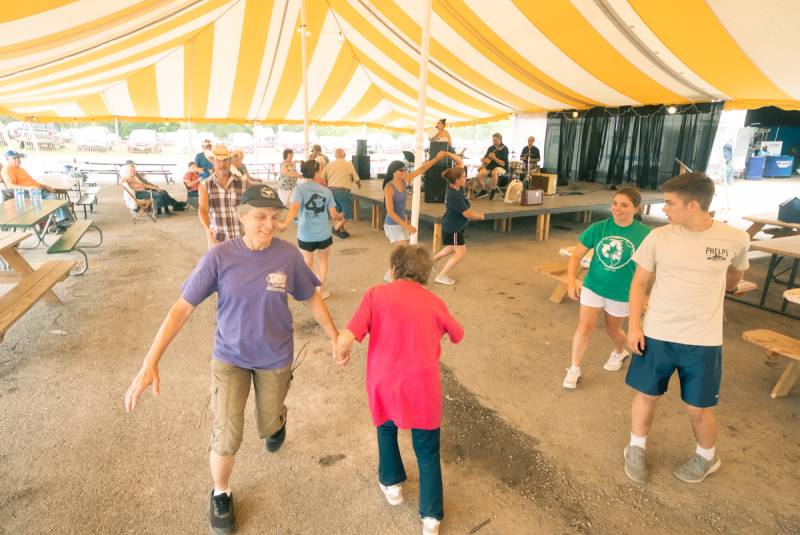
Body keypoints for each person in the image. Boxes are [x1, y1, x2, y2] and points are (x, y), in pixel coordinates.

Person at [124, 184, 343, 535]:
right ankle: (221, 492)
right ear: (242, 217)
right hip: (230, 357)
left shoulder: (288, 256)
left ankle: (277, 422)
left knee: (267, 425)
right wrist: (151, 361)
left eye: (275, 217)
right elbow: (181, 309)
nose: (269, 225)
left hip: (274, 356)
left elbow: (310, 297)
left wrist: (335, 336)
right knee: (226, 434)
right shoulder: (220, 256)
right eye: (260, 217)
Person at [623, 173, 749, 485]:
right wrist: (634, 327)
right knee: (646, 395)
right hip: (657, 334)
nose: (663, 208)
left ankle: (707, 457)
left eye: (669, 203)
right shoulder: (658, 237)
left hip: (703, 340)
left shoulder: (734, 239)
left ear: (693, 205)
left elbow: (735, 278)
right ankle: (635, 449)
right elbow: (639, 283)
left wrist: (722, 281)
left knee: (698, 407)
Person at [336, 245, 464, 535]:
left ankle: (392, 486)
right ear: (425, 275)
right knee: (428, 451)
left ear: (393, 270)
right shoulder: (434, 302)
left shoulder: (375, 295)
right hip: (422, 388)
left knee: (386, 430)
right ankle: (431, 518)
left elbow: (347, 336)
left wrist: (340, 350)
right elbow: (458, 334)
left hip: (384, 385)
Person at [561, 188, 651, 389]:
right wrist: (570, 283)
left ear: (636, 208)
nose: (617, 209)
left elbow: (654, 266)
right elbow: (576, 257)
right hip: (593, 287)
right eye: (615, 203)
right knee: (584, 327)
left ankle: (620, 352)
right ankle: (574, 368)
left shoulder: (646, 234)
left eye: (624, 205)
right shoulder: (598, 228)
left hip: (621, 293)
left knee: (613, 330)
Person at [382, 152, 453, 282]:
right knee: (402, 250)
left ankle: (390, 273)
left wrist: (436, 158)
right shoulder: (388, 187)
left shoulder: (404, 179)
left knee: (400, 251)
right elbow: (390, 212)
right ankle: (393, 274)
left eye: (405, 169)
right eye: (401, 170)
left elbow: (421, 169)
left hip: (401, 221)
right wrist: (407, 226)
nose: (404, 171)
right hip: (392, 223)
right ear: (393, 172)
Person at [278, 160, 343, 300]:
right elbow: (333, 214)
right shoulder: (326, 191)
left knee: (307, 262)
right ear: (316, 172)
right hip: (324, 234)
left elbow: (294, 209)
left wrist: (284, 224)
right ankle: (320, 291)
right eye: (320, 170)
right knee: (323, 261)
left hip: (305, 234)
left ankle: (308, 290)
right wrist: (339, 217)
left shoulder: (299, 189)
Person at [431, 155, 485, 285]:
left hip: (453, 226)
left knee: (451, 247)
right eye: (463, 177)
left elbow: (460, 163)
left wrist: (447, 153)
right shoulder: (454, 195)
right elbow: (468, 214)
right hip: (453, 228)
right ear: (456, 180)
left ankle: (432, 261)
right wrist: (481, 216)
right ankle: (442, 275)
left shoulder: (453, 186)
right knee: (460, 253)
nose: (465, 178)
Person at [2, 150, 73, 226]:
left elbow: (32, 182)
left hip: (39, 190)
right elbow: (10, 185)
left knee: (58, 200)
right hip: (29, 194)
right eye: (14, 158)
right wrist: (28, 188)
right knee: (53, 200)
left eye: (18, 157)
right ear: (7, 159)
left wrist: (44, 186)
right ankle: (63, 221)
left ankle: (66, 220)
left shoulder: (20, 169)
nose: (18, 160)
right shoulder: (7, 169)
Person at [198, 144, 248, 247]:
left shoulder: (243, 182)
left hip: (242, 239)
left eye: (225, 160)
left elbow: (255, 204)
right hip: (218, 240)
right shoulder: (205, 185)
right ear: (213, 162)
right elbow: (203, 209)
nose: (222, 164)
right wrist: (208, 229)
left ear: (230, 161)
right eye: (218, 160)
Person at [121, 160, 186, 215]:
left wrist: (154, 187)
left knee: (163, 191)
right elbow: (122, 180)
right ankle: (164, 209)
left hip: (145, 189)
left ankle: (172, 206)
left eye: (134, 168)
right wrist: (153, 187)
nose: (134, 170)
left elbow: (144, 183)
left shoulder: (135, 175)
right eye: (132, 168)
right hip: (141, 192)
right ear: (128, 169)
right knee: (161, 193)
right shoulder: (129, 177)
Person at [323, 148, 361, 239]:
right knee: (347, 213)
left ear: (335, 156)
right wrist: (359, 185)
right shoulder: (348, 164)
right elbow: (356, 177)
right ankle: (336, 228)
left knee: (339, 213)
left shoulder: (329, 165)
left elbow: (323, 178)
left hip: (331, 191)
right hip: (343, 191)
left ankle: (342, 231)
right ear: (344, 155)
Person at [474, 133, 508, 200]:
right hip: (490, 166)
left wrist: (494, 158)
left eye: (495, 140)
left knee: (494, 172)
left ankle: (493, 190)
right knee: (478, 176)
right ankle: (484, 190)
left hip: (501, 167)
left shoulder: (504, 149)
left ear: (500, 139)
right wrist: (483, 160)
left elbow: (503, 163)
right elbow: (486, 159)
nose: (494, 142)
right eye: (493, 140)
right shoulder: (491, 148)